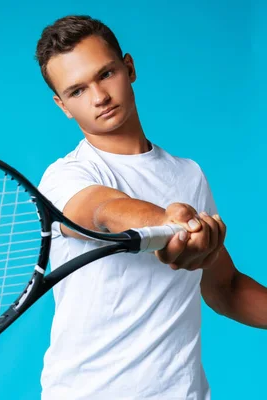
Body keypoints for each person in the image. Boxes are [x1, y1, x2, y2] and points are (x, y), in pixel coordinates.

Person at [34, 15, 267, 400]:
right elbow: (100, 210)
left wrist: (190, 235)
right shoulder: (65, 177)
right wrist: (165, 220)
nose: (99, 97)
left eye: (106, 74)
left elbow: (225, 288)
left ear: (129, 67)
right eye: (77, 91)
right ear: (63, 106)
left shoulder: (189, 175)